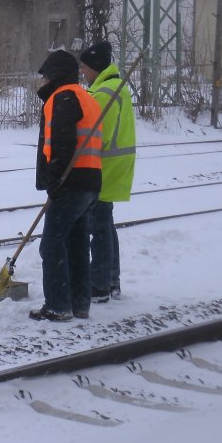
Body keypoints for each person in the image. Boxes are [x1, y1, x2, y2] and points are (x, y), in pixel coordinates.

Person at [31, 48, 102, 322]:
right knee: (76, 241)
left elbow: (62, 142)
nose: (43, 82)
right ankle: (79, 303)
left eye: (46, 76)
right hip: (90, 179)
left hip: (70, 182)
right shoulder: (86, 97)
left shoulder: (63, 98)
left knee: (52, 245)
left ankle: (59, 306)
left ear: (55, 77)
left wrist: (56, 179)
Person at [78, 39, 136, 302]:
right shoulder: (115, 87)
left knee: (99, 228)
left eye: (85, 67)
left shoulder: (104, 94)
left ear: (95, 67)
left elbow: (97, 136)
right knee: (106, 226)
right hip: (116, 166)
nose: (83, 72)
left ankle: (100, 285)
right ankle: (111, 281)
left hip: (103, 167)